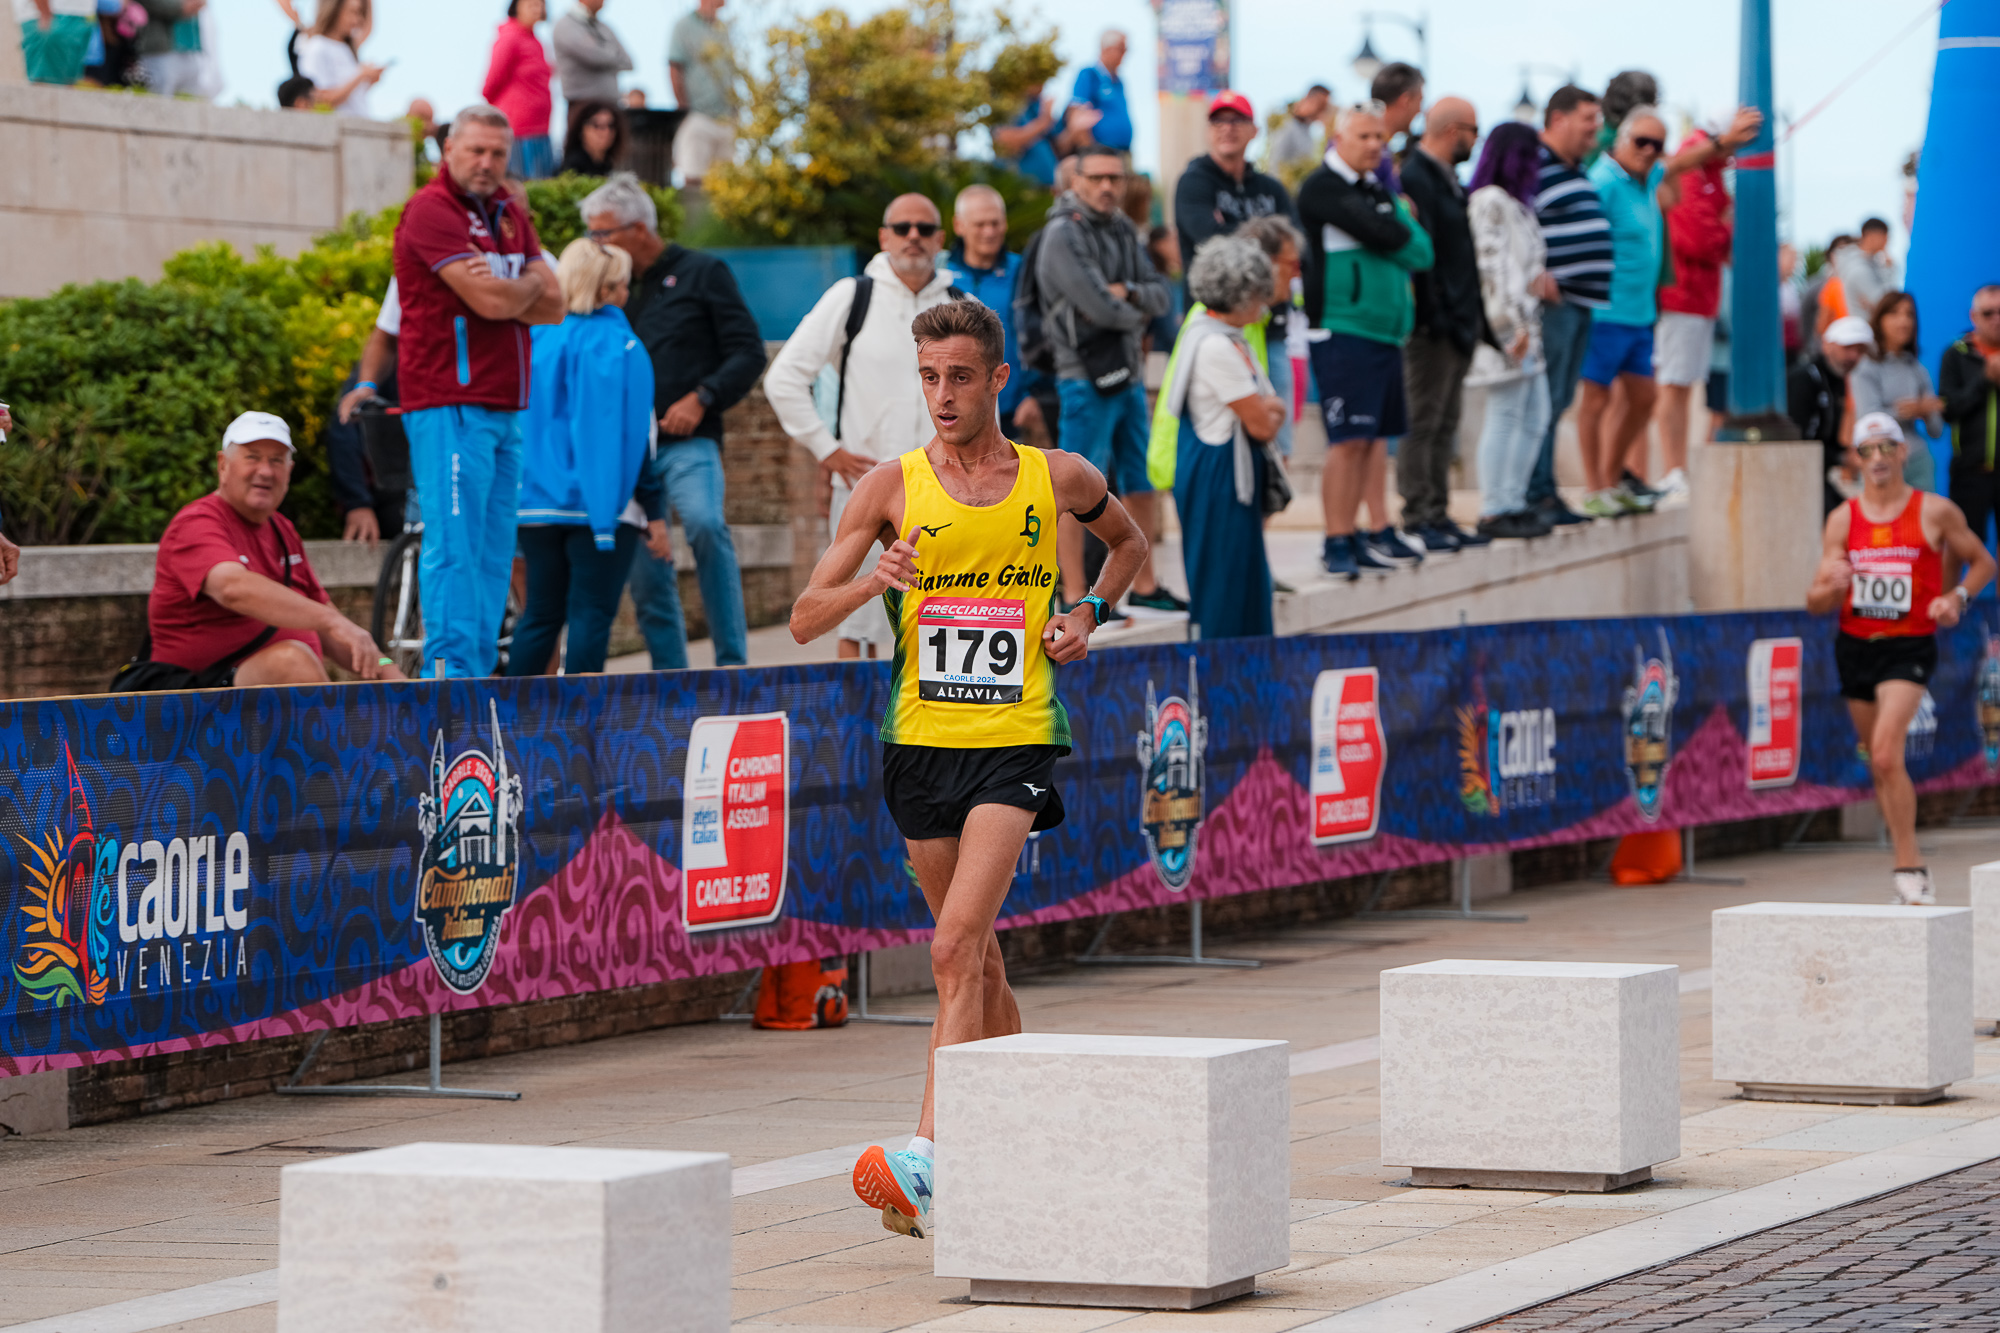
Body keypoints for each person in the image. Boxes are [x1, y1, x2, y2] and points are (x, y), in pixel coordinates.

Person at [786, 298, 1148, 1240]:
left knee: (951, 947)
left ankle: (927, 1157)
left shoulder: (1056, 474)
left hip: (1016, 736)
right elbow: (804, 617)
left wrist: (1089, 614)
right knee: (976, 954)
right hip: (918, 743)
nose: (942, 395)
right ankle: (1027, 1136)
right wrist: (873, 580)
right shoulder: (890, 487)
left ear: (997, 379)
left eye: (958, 376)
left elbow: (1131, 544)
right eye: (928, 377)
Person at [392, 104, 564, 678]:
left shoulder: (509, 211)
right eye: (476, 150)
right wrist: (525, 283)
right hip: (449, 402)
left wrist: (507, 287)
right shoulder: (431, 210)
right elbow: (494, 302)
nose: (487, 162)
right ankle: (448, 681)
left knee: (494, 554)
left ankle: (478, 676)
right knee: (455, 548)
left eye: (498, 152)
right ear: (449, 150)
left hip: (504, 406)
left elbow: (556, 304)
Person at [1805, 410, 1994, 905]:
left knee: (1888, 753)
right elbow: (1814, 601)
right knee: (1879, 761)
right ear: (1857, 459)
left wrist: (1955, 598)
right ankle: (1904, 861)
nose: (1878, 457)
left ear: (1902, 452)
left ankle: (1910, 867)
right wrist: (1832, 586)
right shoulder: (1843, 519)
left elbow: (1983, 562)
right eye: (1867, 450)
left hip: (1908, 647)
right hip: (1855, 646)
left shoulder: (1933, 510)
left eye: (1887, 446)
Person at [765, 194, 960, 657]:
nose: (913, 236)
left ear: (940, 239)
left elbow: (983, 399)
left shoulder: (961, 305)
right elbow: (783, 377)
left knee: (944, 626)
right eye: (902, 227)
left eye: (924, 228)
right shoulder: (852, 297)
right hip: (865, 490)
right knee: (856, 624)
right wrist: (826, 449)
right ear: (884, 237)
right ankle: (857, 710)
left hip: (947, 494)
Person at [584, 171, 764, 669]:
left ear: (639, 228)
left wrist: (703, 397)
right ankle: (671, 681)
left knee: (706, 526)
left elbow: (748, 352)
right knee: (646, 572)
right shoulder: (606, 290)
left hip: (687, 443)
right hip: (628, 454)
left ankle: (732, 667)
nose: (595, 244)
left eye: (602, 233)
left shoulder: (703, 272)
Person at [1573, 104, 1758, 517]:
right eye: (1641, 142)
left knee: (1644, 397)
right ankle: (1595, 486)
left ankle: (1612, 479)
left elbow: (1680, 162)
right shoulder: (1603, 181)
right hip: (1606, 313)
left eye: (1657, 145)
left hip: (1640, 315)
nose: (1649, 151)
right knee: (1596, 400)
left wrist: (1721, 144)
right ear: (1622, 141)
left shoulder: (1649, 177)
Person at [146, 412, 402, 688]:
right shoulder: (196, 523)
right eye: (252, 457)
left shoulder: (283, 529)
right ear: (223, 465)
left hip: (262, 697)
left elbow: (335, 631)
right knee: (290, 663)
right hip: (194, 697)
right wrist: (332, 621)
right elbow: (232, 587)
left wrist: (390, 670)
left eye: (276, 460)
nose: (266, 471)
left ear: (289, 471)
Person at [510, 239, 670, 677]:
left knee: (540, 615)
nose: (628, 294)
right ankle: (580, 715)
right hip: (602, 506)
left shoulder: (535, 340)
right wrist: (654, 511)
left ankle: (510, 710)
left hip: (537, 503)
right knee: (590, 616)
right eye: (622, 285)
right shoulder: (623, 346)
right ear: (604, 291)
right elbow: (636, 440)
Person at [1036, 145, 1180, 612]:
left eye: (1115, 178)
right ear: (1075, 181)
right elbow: (1099, 307)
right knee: (1073, 487)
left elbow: (1161, 296)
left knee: (1140, 480)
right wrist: (1133, 309)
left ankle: (1145, 586)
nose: (1106, 186)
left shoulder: (1122, 228)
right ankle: (1075, 593)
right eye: (1096, 177)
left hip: (1128, 375)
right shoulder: (1062, 233)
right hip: (1083, 377)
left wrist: (1129, 293)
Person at [1298, 101, 1433, 580]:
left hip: (1384, 334)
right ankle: (1336, 539)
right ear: (1339, 140)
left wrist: (1394, 223)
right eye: (1364, 137)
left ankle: (1368, 533)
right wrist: (1396, 222)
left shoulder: (1376, 189)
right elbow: (1387, 235)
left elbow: (1421, 252)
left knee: (1374, 440)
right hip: (1343, 330)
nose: (1376, 145)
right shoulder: (1323, 187)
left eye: (1381, 137)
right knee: (1349, 440)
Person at [1161, 236, 1287, 638]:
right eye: (1258, 293)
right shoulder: (1216, 344)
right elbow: (1263, 423)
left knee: (1245, 586)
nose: (1264, 302)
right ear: (1240, 295)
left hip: (1223, 471)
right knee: (1224, 590)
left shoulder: (1218, 335)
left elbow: (1266, 410)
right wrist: (1272, 409)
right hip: (1218, 478)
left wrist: (1269, 408)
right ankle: (1221, 672)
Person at [1398, 95, 1491, 554]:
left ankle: (1437, 510)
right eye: (1474, 131)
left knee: (1445, 421)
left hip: (1457, 323)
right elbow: (1425, 257)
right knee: (1424, 420)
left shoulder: (1448, 179)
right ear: (1454, 131)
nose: (1476, 140)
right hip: (1432, 326)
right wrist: (1437, 318)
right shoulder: (1416, 176)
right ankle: (1419, 513)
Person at [1524, 85, 1609, 529]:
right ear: (1558, 119)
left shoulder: (1575, 169)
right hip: (1554, 305)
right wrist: (1534, 273)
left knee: (1558, 400)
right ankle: (1535, 491)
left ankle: (1544, 489)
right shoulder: (1532, 165)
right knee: (1545, 399)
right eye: (1588, 119)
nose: (1596, 128)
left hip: (1580, 302)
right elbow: (1514, 220)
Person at [1466, 121, 1555, 541]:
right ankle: (1494, 507)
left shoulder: (1519, 206)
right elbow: (1491, 269)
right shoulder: (1490, 201)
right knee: (1505, 414)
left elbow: (1524, 267)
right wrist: (1508, 329)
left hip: (1528, 328)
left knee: (1536, 415)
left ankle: (1514, 500)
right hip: (1506, 329)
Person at [1653, 127, 1734, 504]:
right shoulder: (1692, 173)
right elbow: (1701, 240)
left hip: (1698, 296)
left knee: (1682, 385)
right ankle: (1672, 469)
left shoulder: (1708, 176)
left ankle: (1677, 469)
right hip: (1681, 296)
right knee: (1673, 384)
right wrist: (1727, 225)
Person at [939, 185, 1033, 439]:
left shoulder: (1024, 271)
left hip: (1013, 409)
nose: (989, 232)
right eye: (980, 224)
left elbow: (1041, 333)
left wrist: (1034, 395)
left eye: (995, 223)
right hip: (953, 409)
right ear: (959, 225)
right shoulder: (939, 274)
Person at [1173, 91, 1295, 277]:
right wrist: (1269, 234)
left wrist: (1230, 229)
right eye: (1218, 121)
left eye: (1237, 120)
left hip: (1267, 294)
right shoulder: (1192, 183)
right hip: (1213, 294)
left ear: (1254, 131)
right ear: (1208, 131)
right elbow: (1210, 239)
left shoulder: (1272, 188)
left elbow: (1296, 240)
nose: (1227, 128)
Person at [1853, 292, 1944, 492]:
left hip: (1918, 460)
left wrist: (1927, 411)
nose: (1903, 321)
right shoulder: (1866, 368)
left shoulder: (1917, 368)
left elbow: (1936, 430)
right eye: (1894, 313)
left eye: (1909, 314)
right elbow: (1869, 419)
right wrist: (1912, 409)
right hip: (1879, 463)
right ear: (1879, 320)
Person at [1791, 315, 1875, 514]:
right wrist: (1841, 457)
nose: (1853, 356)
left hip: (1816, 473)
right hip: (1796, 476)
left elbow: (1825, 437)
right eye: (1848, 347)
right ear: (1827, 345)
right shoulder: (1805, 378)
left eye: (1860, 350)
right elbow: (1798, 440)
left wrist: (1846, 453)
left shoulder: (1835, 381)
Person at [1939, 286, 2000, 547]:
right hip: (1970, 470)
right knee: (1962, 546)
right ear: (1973, 317)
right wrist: (1985, 380)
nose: (1996, 319)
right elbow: (1949, 410)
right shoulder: (1955, 354)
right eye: (1988, 313)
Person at [483, 0, 556, 180]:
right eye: (531, 5)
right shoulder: (510, 38)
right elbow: (491, 83)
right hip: (519, 130)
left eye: (540, 5)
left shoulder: (535, 40)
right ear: (516, 7)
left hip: (540, 127)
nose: (536, 9)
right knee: (520, 184)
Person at [668, 0, 734, 186]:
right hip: (698, 115)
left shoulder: (723, 28)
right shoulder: (683, 26)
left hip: (725, 117)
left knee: (726, 183)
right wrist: (684, 108)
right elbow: (675, 67)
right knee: (693, 178)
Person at [296, 0, 381, 118]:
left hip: (358, 123)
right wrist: (360, 75)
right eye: (353, 12)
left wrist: (368, 80)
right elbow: (320, 100)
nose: (357, 20)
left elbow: (351, 99)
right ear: (334, 10)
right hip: (338, 127)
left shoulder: (346, 49)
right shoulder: (317, 47)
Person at [551, 0, 632, 106]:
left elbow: (627, 61)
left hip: (610, 104)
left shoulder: (603, 28)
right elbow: (593, 56)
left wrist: (598, 49)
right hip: (584, 105)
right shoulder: (566, 25)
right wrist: (611, 53)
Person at [1066, 29, 1132, 154]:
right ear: (1106, 49)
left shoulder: (1118, 81)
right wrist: (1090, 153)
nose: (1125, 53)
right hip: (1101, 153)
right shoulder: (1089, 75)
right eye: (1122, 49)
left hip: (1123, 151)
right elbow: (1077, 119)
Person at [1367, 62, 1423, 194]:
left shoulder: (1381, 149)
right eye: (1420, 101)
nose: (1420, 110)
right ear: (1406, 101)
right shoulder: (1374, 152)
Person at [992, 82, 1060, 188]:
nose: (1042, 84)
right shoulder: (1006, 105)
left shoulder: (1037, 104)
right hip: (1023, 186)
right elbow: (1008, 140)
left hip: (1050, 184)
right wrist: (1044, 120)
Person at [135, 0, 209, 98]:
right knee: (159, 98)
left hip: (190, 49)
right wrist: (180, 6)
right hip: (160, 50)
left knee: (191, 99)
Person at [1834, 218, 1898, 326]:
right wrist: (1889, 269)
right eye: (1885, 236)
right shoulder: (1859, 269)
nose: (1887, 241)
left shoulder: (1870, 264)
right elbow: (1886, 304)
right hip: (1864, 329)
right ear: (1870, 236)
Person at [19, 0, 96, 86]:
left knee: (67, 82)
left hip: (77, 16)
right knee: (47, 82)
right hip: (54, 14)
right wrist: (45, 13)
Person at [1269, 83, 1332, 180]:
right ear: (1310, 100)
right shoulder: (1286, 126)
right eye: (1321, 105)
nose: (1323, 110)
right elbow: (1275, 163)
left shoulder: (1309, 132)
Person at [559, 100, 625, 176]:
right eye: (597, 125)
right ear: (581, 130)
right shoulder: (572, 168)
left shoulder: (608, 164)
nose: (606, 132)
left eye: (611, 125)